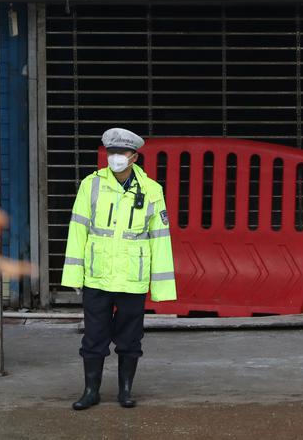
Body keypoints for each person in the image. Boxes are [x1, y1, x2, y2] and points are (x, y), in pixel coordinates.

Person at [62, 127, 176, 410]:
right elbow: (78, 230)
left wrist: (161, 287)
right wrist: (75, 275)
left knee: (130, 338)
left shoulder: (151, 190)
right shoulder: (92, 184)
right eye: (111, 152)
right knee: (94, 337)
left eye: (121, 153)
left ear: (134, 157)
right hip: (98, 277)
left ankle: (125, 391)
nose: (115, 158)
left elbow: (160, 239)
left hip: (131, 279)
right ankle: (91, 391)